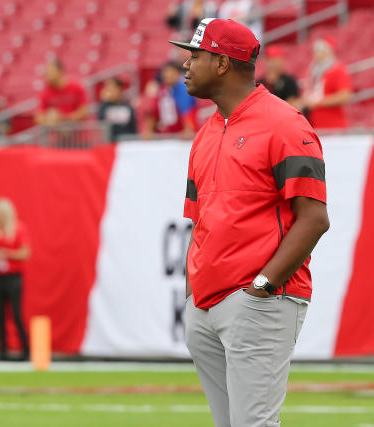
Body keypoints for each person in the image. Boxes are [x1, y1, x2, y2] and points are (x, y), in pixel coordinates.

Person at [170, 18, 329, 427]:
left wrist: (261, 287)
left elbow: (314, 220)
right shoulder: (206, 133)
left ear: (222, 63)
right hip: (206, 305)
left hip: (258, 301)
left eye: (195, 54)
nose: (185, 64)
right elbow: (198, 221)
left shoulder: (285, 123)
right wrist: (193, 297)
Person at [0, 198, 31, 361]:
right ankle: (2, 351)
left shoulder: (18, 229)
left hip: (14, 278)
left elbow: (25, 253)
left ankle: (26, 350)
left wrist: (6, 253)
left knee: (16, 314)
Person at [301, 35, 353, 130]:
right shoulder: (312, 70)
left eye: (320, 50)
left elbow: (345, 95)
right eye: (315, 50)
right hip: (314, 123)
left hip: (333, 125)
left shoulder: (338, 69)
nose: (317, 53)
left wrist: (318, 102)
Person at [34, 59, 88, 127]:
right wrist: (49, 119)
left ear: (60, 71)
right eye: (46, 73)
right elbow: (38, 117)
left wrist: (64, 119)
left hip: (78, 133)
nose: (47, 76)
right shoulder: (46, 92)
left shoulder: (76, 87)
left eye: (50, 72)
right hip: (57, 135)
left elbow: (84, 111)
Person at [97, 77, 138, 142]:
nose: (110, 92)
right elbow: (101, 121)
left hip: (126, 143)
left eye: (112, 89)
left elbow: (133, 127)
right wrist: (104, 102)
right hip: (111, 143)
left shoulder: (128, 107)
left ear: (120, 89)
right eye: (108, 90)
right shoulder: (105, 107)